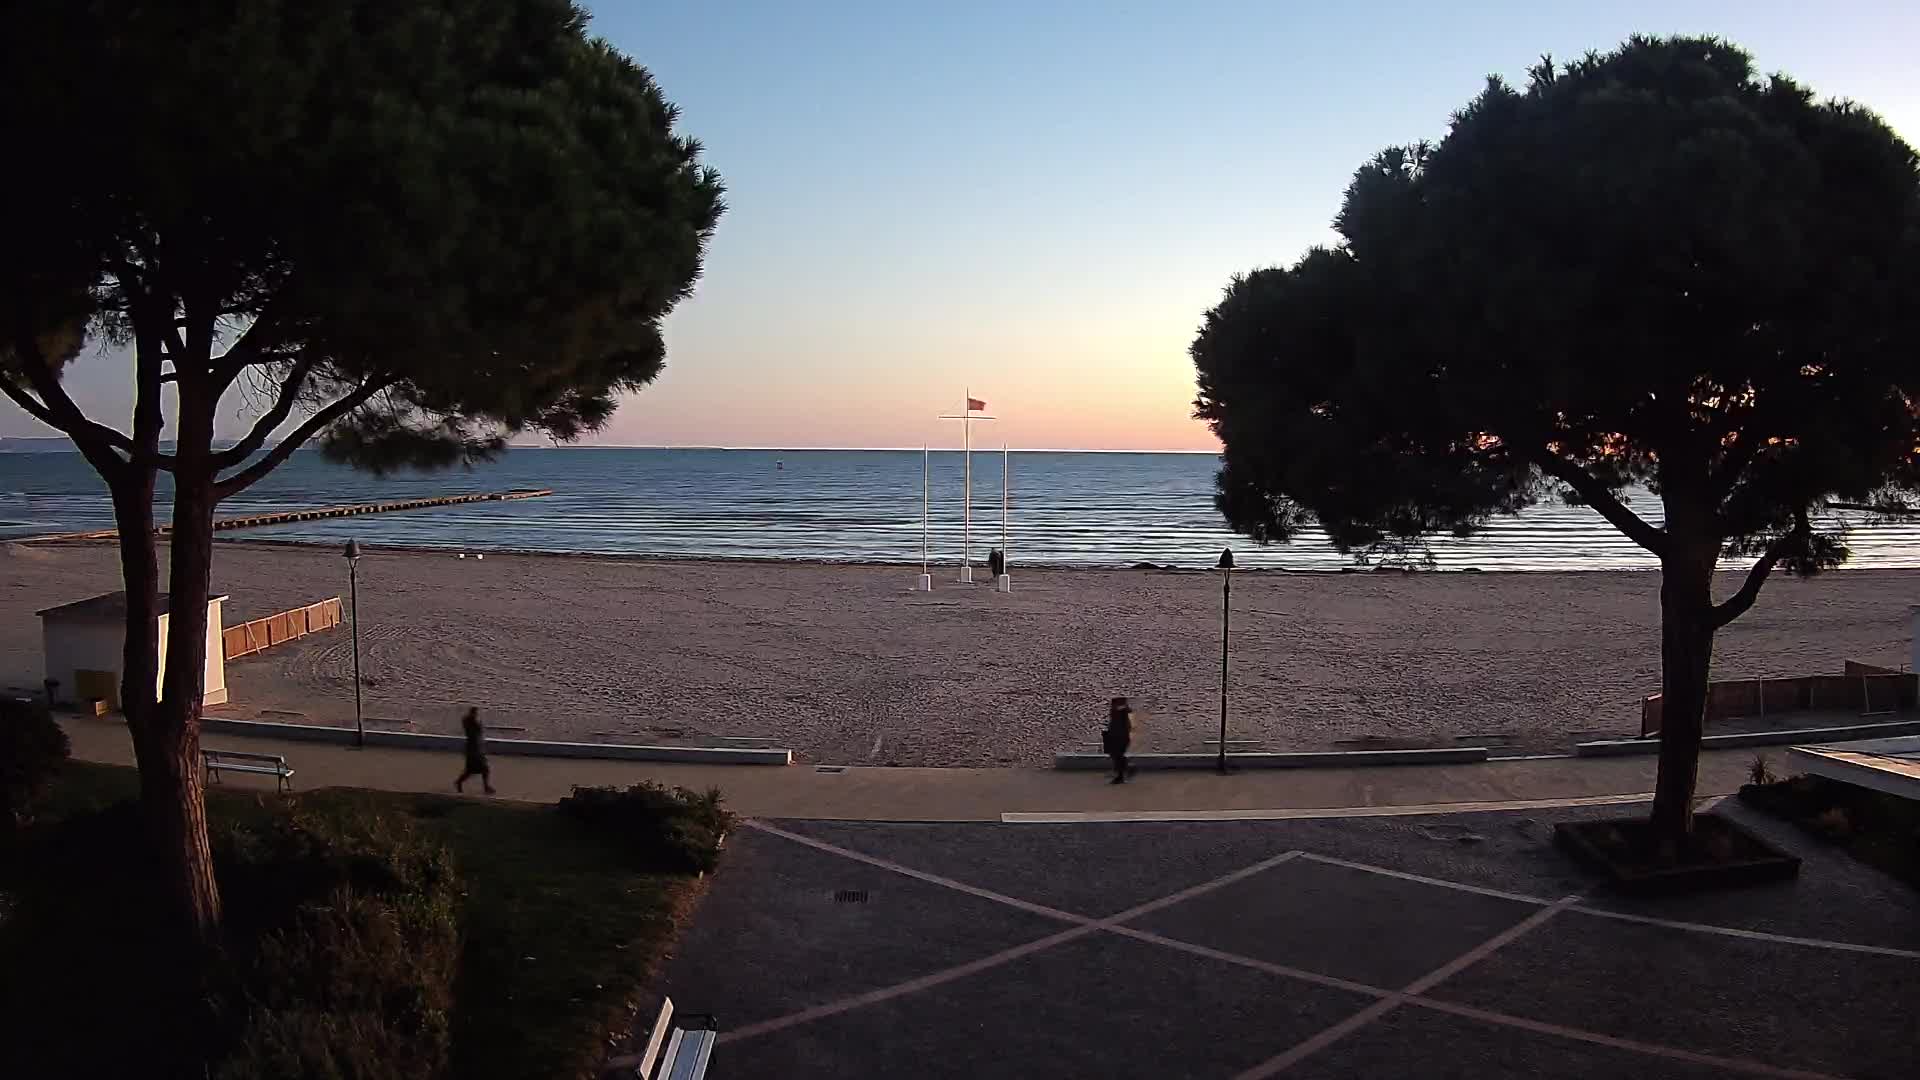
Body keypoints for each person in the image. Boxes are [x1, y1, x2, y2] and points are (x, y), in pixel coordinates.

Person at [455, 707, 495, 795]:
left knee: (480, 769)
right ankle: (459, 782)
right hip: (473, 749)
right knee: (476, 769)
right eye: (476, 713)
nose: (477, 715)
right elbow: (478, 732)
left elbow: (478, 734)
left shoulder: (469, 723)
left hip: (474, 748)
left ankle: (485, 786)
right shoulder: (472, 724)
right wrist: (479, 725)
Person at [1101, 697, 1134, 784]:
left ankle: (1122, 773)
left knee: (1117, 755)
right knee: (1116, 755)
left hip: (1119, 736)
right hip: (1118, 736)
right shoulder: (1119, 712)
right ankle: (1124, 770)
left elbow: (1123, 724)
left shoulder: (1119, 712)